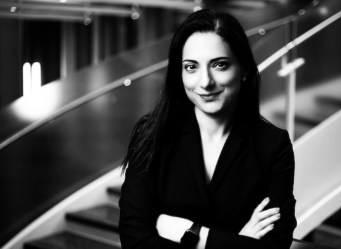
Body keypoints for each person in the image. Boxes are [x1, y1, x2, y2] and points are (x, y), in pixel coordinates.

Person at [119, 8, 296, 249]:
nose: (205, 82)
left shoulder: (273, 145)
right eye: (191, 67)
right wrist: (238, 242)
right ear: (179, 73)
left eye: (220, 65)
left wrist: (190, 233)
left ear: (243, 69)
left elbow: (275, 246)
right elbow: (135, 240)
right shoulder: (151, 134)